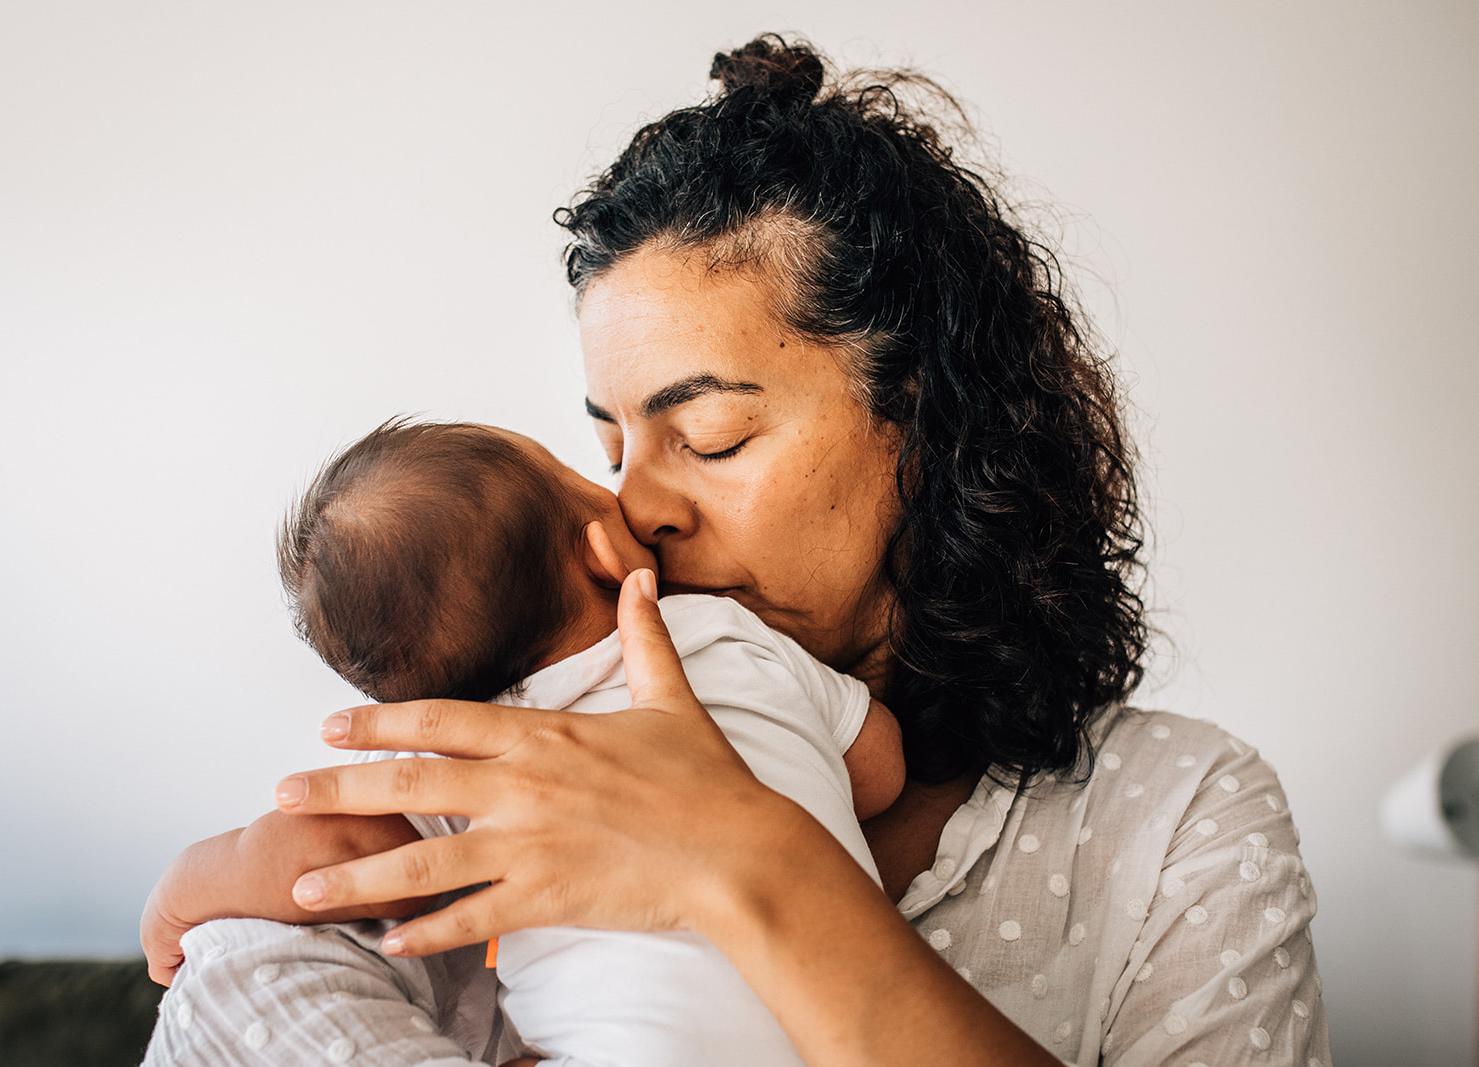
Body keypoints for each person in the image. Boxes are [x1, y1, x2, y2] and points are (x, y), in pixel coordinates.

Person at [150, 34, 1332, 1067]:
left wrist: (754, 857)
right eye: (611, 443)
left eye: (709, 434)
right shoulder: (535, 749)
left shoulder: (1175, 819)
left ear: (920, 421)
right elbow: (255, 970)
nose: (636, 505)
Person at [140, 418, 906, 1067]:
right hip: (852, 1026)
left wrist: (188, 883)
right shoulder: (731, 634)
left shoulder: (467, 760)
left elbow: (344, 860)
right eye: (599, 471)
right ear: (600, 551)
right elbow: (879, 769)